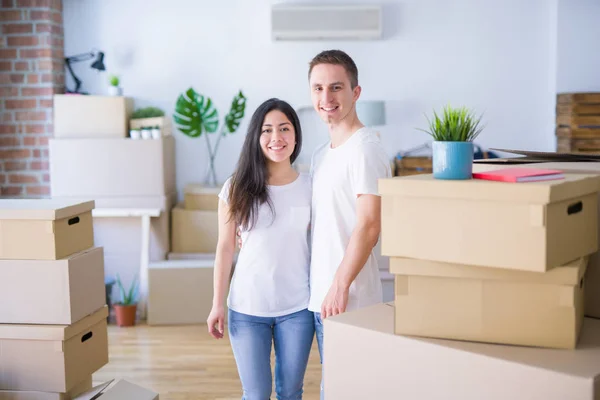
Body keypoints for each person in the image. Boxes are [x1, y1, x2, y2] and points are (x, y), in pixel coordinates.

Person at [207, 98, 314, 400]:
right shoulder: (235, 187)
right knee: (255, 394)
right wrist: (217, 304)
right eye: (267, 130)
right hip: (246, 308)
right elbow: (225, 248)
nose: (276, 138)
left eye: (284, 128)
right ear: (256, 137)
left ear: (295, 134)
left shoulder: (310, 186)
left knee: (290, 392)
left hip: (297, 308)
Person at [308, 49, 392, 398]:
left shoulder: (365, 149)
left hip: (350, 299)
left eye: (336, 87)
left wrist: (340, 285)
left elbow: (370, 226)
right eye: (317, 88)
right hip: (320, 297)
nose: (326, 98)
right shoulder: (322, 153)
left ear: (355, 92)